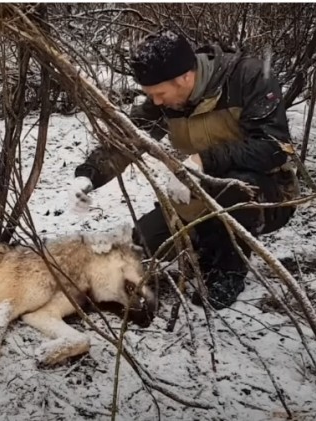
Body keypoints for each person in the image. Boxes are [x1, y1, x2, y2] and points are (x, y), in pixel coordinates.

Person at [69, 29, 300, 310]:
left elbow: (274, 147)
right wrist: (89, 174)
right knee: (144, 243)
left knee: (235, 188)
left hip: (267, 193)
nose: (155, 101)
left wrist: (204, 160)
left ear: (186, 77)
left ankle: (228, 271)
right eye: (149, 95)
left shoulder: (248, 77)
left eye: (159, 93)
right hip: (197, 190)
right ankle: (204, 240)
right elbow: (129, 139)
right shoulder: (168, 98)